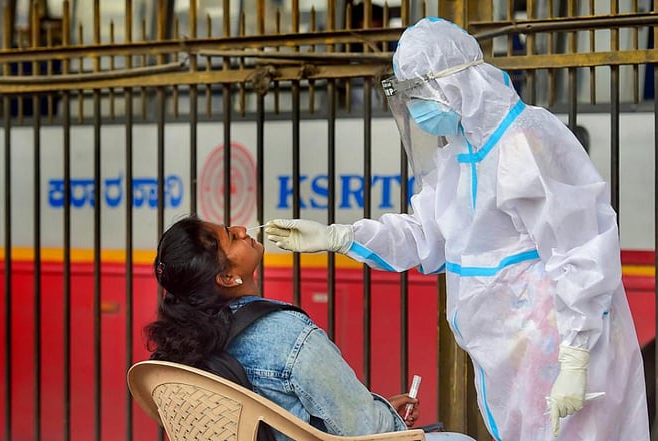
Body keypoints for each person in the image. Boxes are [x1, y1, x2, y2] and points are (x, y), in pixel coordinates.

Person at [265, 18, 649, 441]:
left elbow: (581, 250)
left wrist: (576, 359)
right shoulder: (458, 157)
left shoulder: (525, 141)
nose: (416, 109)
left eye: (419, 93)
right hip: (510, 356)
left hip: (561, 347)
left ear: (455, 83)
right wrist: (339, 237)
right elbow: (425, 236)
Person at [146, 216, 475, 441]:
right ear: (228, 277)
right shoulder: (285, 334)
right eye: (231, 237)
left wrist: (366, 405)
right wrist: (385, 416)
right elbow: (368, 431)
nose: (243, 229)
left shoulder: (188, 345)